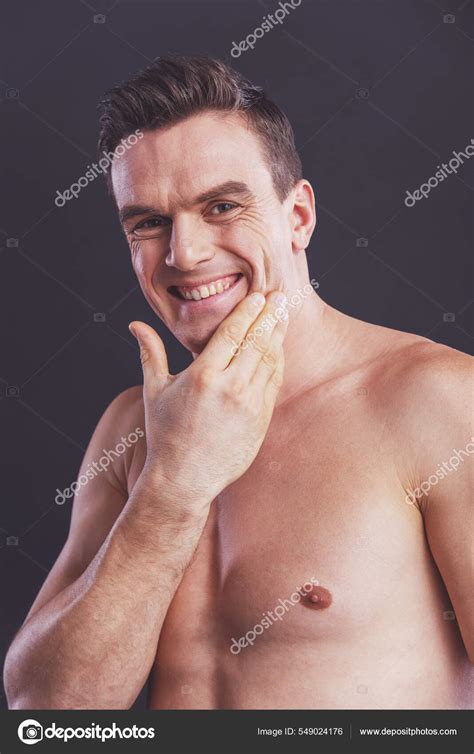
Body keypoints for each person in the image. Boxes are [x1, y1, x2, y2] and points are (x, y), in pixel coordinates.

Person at [4, 56, 473, 710]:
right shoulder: (131, 429)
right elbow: (45, 713)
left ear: (298, 216)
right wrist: (172, 487)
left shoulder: (441, 402)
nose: (184, 254)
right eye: (148, 222)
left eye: (221, 206)